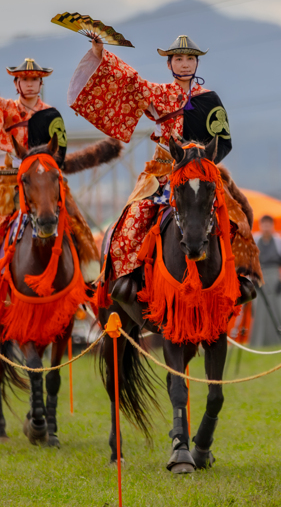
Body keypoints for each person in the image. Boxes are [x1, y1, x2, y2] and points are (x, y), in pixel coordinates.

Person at [70, 34, 260, 306]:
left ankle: (240, 276)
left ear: (197, 64)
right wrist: (101, 54)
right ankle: (129, 278)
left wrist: (202, 166)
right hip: (163, 172)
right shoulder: (158, 93)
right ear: (169, 63)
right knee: (133, 219)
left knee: (240, 214)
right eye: (179, 59)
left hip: (203, 172)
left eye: (190, 59)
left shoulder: (211, 99)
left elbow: (224, 142)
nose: (185, 65)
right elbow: (129, 81)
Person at [0, 58, 98, 298]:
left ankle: (90, 276)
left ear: (40, 83)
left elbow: (59, 152)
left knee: (76, 222)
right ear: (16, 83)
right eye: (24, 79)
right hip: (11, 182)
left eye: (34, 80)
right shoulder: (5, 108)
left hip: (47, 181)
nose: (30, 84)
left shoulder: (51, 114)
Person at [249, 215, 281, 347]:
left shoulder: (280, 242)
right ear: (260, 226)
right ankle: (259, 343)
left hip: (276, 278)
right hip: (258, 279)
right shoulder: (254, 241)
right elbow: (246, 262)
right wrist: (252, 279)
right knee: (260, 312)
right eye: (263, 224)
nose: (266, 227)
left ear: (273, 226)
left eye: (268, 224)